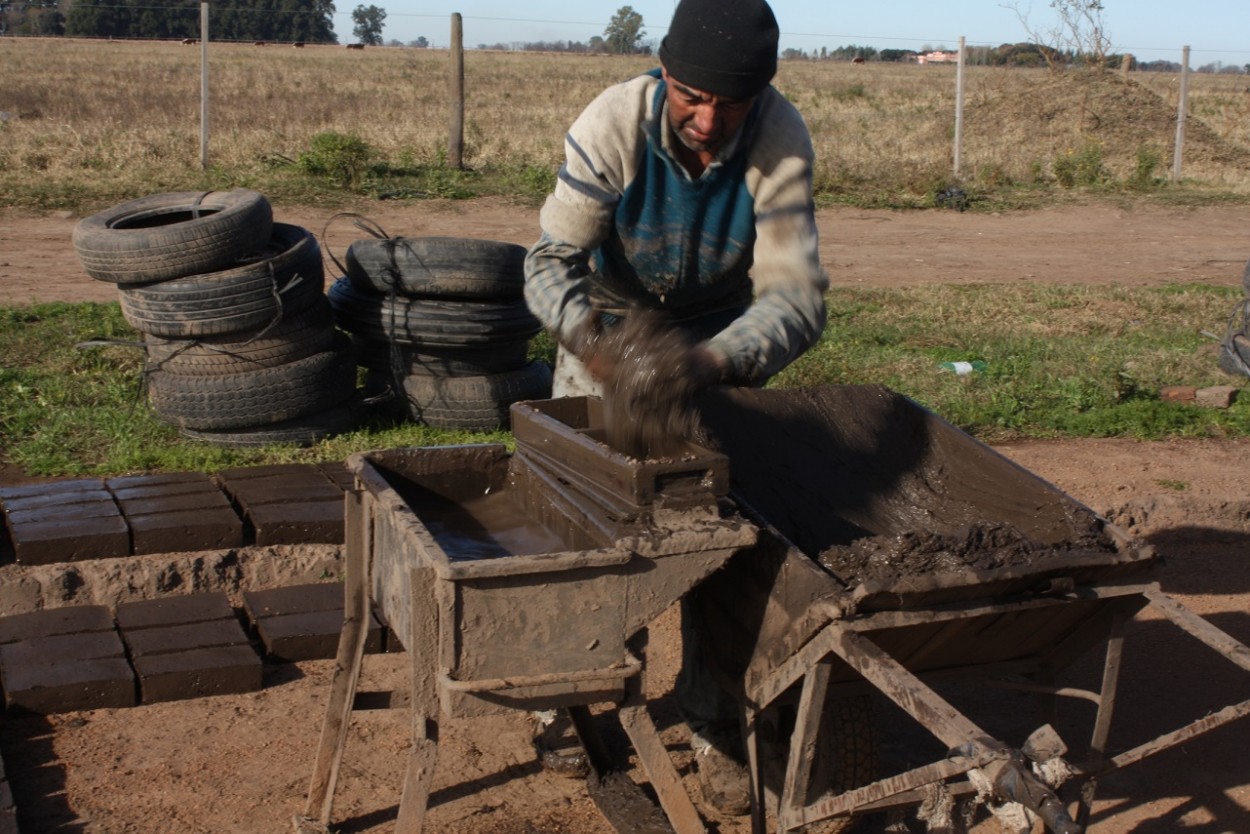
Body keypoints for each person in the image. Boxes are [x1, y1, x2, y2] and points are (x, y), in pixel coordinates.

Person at [523, 0, 828, 816]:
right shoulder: (614, 122)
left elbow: (796, 299)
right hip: (608, 334)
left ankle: (714, 721)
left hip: (713, 348)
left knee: (721, 546)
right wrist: (596, 348)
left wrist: (706, 363)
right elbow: (548, 263)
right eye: (692, 96)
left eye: (729, 103)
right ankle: (574, 706)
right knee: (589, 531)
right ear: (665, 76)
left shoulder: (777, 139)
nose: (707, 119)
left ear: (760, 94)